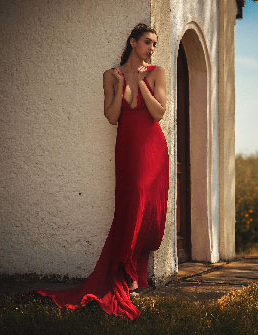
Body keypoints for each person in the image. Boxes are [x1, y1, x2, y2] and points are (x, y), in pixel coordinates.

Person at [26, 23, 169, 321]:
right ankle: (126, 275)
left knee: (147, 208)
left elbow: (158, 113)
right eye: (147, 42)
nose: (152, 48)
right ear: (132, 42)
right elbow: (113, 117)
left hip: (152, 149)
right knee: (130, 206)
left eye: (154, 44)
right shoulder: (110, 75)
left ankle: (132, 273)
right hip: (127, 148)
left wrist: (141, 82)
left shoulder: (157, 72)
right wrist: (122, 85)